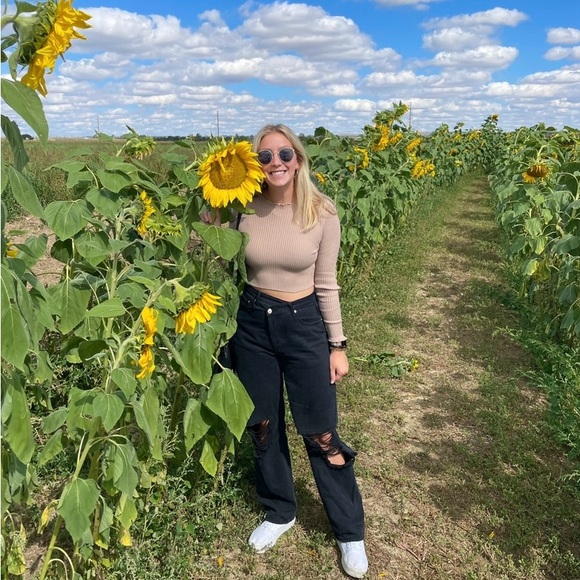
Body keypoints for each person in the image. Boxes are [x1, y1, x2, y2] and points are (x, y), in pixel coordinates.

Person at [229, 124, 368, 578]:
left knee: (321, 431)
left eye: (284, 154)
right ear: (255, 165)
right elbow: (211, 245)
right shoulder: (242, 207)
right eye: (264, 156)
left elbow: (327, 283)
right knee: (262, 424)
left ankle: (349, 530)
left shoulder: (322, 212)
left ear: (299, 159)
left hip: (303, 323)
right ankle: (280, 510)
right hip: (252, 322)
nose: (276, 163)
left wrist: (337, 345)